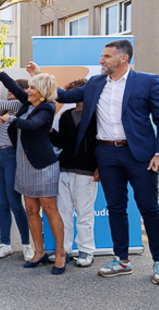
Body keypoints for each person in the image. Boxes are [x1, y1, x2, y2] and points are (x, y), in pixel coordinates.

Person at [28, 40, 159, 283]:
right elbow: (64, 95)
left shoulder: (148, 81)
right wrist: (39, 77)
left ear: (123, 58)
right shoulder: (96, 83)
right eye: (102, 56)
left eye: (106, 56)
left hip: (140, 154)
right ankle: (122, 260)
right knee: (116, 208)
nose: (101, 60)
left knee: (149, 208)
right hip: (106, 154)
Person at [0, 55, 68, 275]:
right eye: (28, 88)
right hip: (23, 164)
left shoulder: (47, 108)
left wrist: (10, 119)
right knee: (31, 210)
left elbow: (32, 125)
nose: (28, 91)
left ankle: (60, 253)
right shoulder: (27, 103)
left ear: (42, 90)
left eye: (32, 88)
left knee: (50, 210)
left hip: (42, 166)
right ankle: (38, 252)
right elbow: (13, 86)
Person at [0, 68, 34, 261]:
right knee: (2, 203)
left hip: (12, 156)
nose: (10, 91)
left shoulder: (20, 104)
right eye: (9, 88)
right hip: (0, 155)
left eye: (14, 88)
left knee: (14, 202)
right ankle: (5, 244)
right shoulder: (7, 107)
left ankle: (27, 245)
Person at [49, 78, 99, 267]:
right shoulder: (66, 115)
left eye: (79, 91)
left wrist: (99, 167)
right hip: (64, 169)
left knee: (85, 213)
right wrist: (50, 131)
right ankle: (64, 250)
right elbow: (61, 143)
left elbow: (100, 144)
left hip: (86, 170)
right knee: (63, 212)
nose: (76, 95)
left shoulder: (97, 114)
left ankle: (87, 251)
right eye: (73, 91)